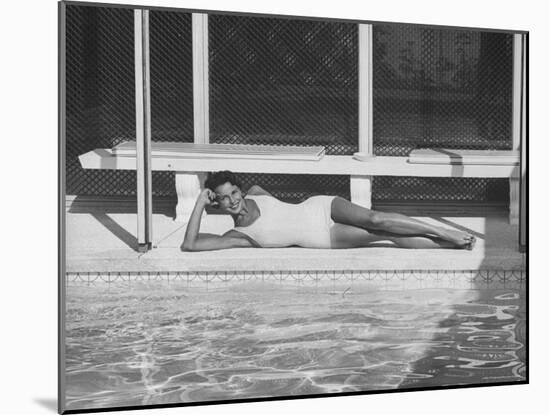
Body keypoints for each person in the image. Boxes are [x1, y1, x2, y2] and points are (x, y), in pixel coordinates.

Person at [181, 170, 476, 252]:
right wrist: (198, 203)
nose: (233, 200)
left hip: (319, 205)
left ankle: (443, 231)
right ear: (216, 203)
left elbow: (285, 211)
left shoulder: (256, 191)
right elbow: (190, 244)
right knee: (384, 235)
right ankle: (450, 245)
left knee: (377, 218)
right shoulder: (240, 235)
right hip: (322, 236)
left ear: (241, 190)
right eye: (224, 198)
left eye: (234, 192)